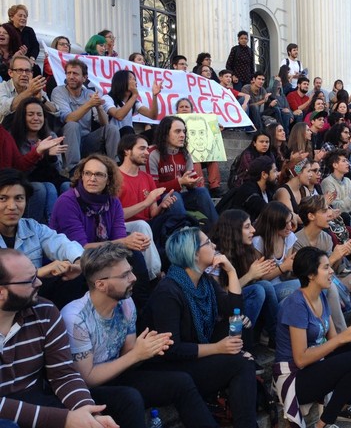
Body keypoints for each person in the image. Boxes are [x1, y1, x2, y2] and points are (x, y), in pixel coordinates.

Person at [61, 243, 214, 428]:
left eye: (131, 271)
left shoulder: (125, 303)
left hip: (117, 376)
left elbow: (129, 357)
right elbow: (88, 378)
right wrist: (136, 355)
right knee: (130, 398)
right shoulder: (76, 319)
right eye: (125, 275)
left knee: (181, 381)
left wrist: (149, 349)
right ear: (100, 284)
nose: (133, 278)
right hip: (85, 393)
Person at [142, 227, 257, 427]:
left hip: (196, 350)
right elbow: (172, 350)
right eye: (207, 243)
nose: (214, 245)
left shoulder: (204, 281)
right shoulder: (168, 292)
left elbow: (234, 310)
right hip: (173, 367)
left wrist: (231, 271)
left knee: (241, 326)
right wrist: (218, 348)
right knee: (241, 364)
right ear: (194, 254)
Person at [0, 249, 119, 428]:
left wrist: (89, 414)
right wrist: (65, 419)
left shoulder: (45, 311)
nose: (39, 282)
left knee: (123, 401)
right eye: (30, 280)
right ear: (1, 293)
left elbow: (63, 374)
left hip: (35, 400)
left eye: (35, 274)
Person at [273, 246, 351, 428]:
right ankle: (323, 424)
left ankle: (343, 407)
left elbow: (333, 341)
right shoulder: (295, 304)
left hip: (315, 364)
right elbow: (300, 359)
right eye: (325, 267)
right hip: (294, 377)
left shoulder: (321, 296)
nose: (332, 270)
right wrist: (341, 338)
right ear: (310, 275)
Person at [50, 155, 152, 310]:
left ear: (108, 179)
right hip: (71, 261)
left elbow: (118, 239)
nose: (92, 178)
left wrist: (133, 242)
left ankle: (141, 313)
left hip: (102, 255)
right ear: (81, 176)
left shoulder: (113, 202)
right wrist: (124, 242)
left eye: (98, 174)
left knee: (135, 257)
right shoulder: (67, 202)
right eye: (87, 173)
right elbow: (80, 248)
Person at [294, 195, 351, 333]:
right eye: (324, 211)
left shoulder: (326, 237)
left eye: (329, 209)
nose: (330, 213)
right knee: (330, 288)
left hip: (332, 277)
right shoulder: (297, 241)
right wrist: (332, 258)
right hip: (309, 284)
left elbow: (334, 270)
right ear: (311, 216)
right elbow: (305, 275)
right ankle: (342, 336)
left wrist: (338, 257)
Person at [0, 169, 83, 289]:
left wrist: (78, 261)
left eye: (18, 198)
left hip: (33, 295)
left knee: (76, 276)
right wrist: (36, 273)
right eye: (2, 198)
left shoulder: (32, 227)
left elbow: (61, 243)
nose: (12, 206)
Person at [118, 134, 184, 278]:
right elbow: (114, 216)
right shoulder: (114, 177)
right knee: (141, 225)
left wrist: (162, 206)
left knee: (179, 219)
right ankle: (155, 275)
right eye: (142, 148)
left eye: (147, 149)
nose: (147, 153)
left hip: (148, 225)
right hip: (123, 228)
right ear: (127, 151)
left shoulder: (147, 178)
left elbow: (152, 212)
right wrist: (146, 202)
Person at [210, 210, 278, 349]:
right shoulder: (216, 256)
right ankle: (243, 345)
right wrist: (250, 275)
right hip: (221, 313)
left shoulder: (245, 249)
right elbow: (220, 295)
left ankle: (276, 338)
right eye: (247, 227)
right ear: (234, 231)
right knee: (258, 290)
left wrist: (259, 273)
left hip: (237, 302)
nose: (253, 230)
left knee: (265, 285)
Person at [147, 115, 219, 226]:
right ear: (165, 134)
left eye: (184, 132)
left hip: (179, 197)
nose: (182, 135)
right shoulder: (153, 153)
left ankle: (217, 229)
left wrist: (192, 183)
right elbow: (153, 188)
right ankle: (182, 232)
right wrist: (179, 182)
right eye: (177, 131)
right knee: (175, 196)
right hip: (157, 201)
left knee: (202, 192)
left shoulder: (185, 154)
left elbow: (191, 180)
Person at [51, 58, 120, 171]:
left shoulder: (90, 93)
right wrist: (90, 104)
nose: (71, 77)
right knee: (73, 125)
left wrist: (98, 108)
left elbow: (104, 123)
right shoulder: (58, 91)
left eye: (75, 74)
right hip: (67, 141)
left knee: (111, 128)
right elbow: (69, 118)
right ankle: (74, 170)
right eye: (68, 73)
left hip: (86, 140)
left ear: (84, 78)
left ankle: (115, 167)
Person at [10, 97, 69, 223]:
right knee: (42, 188)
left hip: (49, 178)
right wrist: (41, 153)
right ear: (22, 117)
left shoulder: (51, 136)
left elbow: (58, 170)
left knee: (67, 186)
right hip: (25, 179)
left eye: (39, 114)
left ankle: (61, 227)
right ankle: (36, 228)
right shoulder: (14, 138)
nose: (36, 118)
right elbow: (21, 171)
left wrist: (52, 156)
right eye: (30, 114)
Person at [252, 201, 300, 302]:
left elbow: (286, 274)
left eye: (290, 222)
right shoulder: (258, 242)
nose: (290, 227)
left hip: (284, 283)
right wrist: (284, 267)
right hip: (268, 290)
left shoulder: (289, 237)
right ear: (274, 224)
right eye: (285, 224)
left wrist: (293, 266)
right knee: (301, 286)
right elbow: (261, 278)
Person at [0, 55, 58, 126]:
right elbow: (3, 110)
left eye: (27, 71)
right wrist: (29, 92)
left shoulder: (35, 87)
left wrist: (42, 100)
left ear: (32, 74)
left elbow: (56, 113)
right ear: (10, 73)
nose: (24, 74)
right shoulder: (3, 87)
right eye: (20, 70)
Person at [102, 69, 161, 135]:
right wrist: (135, 95)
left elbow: (153, 116)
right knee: (127, 129)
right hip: (114, 137)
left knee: (155, 132)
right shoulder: (107, 98)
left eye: (135, 79)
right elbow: (119, 116)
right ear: (121, 81)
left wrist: (154, 95)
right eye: (130, 78)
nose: (134, 82)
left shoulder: (134, 102)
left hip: (129, 137)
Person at [227, 155, 278, 221]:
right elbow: (270, 212)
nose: (277, 174)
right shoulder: (248, 191)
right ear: (264, 174)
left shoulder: (267, 190)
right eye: (274, 171)